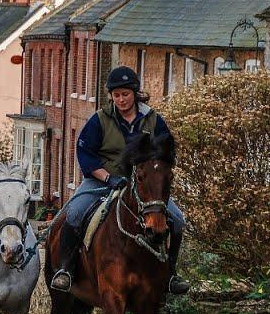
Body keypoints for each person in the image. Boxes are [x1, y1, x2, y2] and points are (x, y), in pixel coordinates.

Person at [49, 66, 190, 295]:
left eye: (125, 94)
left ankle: (171, 275)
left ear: (135, 94)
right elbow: (86, 154)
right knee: (74, 212)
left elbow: (167, 152)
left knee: (177, 219)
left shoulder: (153, 120)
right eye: (116, 95)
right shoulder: (100, 120)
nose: (121, 100)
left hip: (144, 187)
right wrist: (107, 177)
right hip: (102, 180)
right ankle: (66, 269)